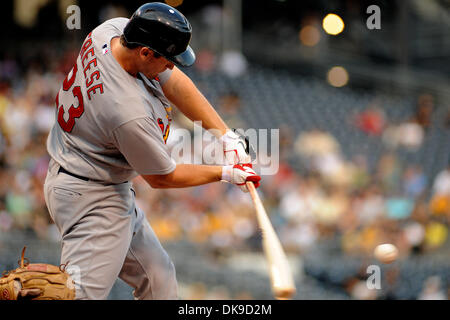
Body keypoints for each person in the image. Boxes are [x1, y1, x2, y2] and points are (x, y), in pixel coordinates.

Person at [43, 2, 260, 300]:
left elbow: (174, 82)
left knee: (159, 281)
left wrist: (225, 136)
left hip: (93, 180)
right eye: (168, 59)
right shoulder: (126, 111)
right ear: (145, 52)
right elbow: (162, 177)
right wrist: (225, 173)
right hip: (91, 199)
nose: (172, 65)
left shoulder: (111, 31)